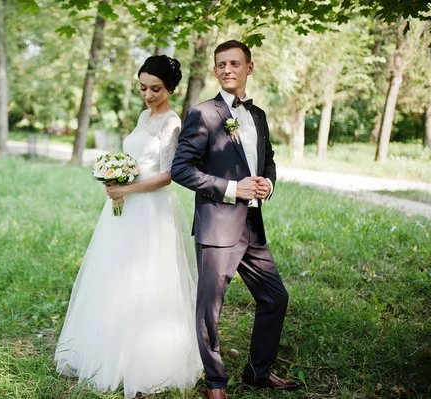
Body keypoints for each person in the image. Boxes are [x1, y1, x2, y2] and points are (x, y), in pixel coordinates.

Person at [55, 55, 202, 398]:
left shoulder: (172, 123)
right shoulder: (142, 115)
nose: (148, 95)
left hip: (151, 209)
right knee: (114, 273)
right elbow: (136, 159)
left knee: (147, 278)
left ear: (170, 88)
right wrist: (116, 174)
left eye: (156, 89)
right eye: (143, 88)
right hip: (123, 206)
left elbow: (169, 175)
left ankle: (146, 360)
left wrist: (128, 188)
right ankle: (107, 348)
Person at [171, 40, 300, 399]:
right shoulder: (203, 113)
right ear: (215, 71)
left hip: (252, 226)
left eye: (234, 63)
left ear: (249, 67)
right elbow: (181, 169)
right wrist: (232, 188)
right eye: (221, 65)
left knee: (275, 298)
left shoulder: (257, 115)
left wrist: (266, 183)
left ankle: (259, 372)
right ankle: (215, 382)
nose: (227, 69)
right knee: (209, 308)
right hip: (217, 225)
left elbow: (268, 159)